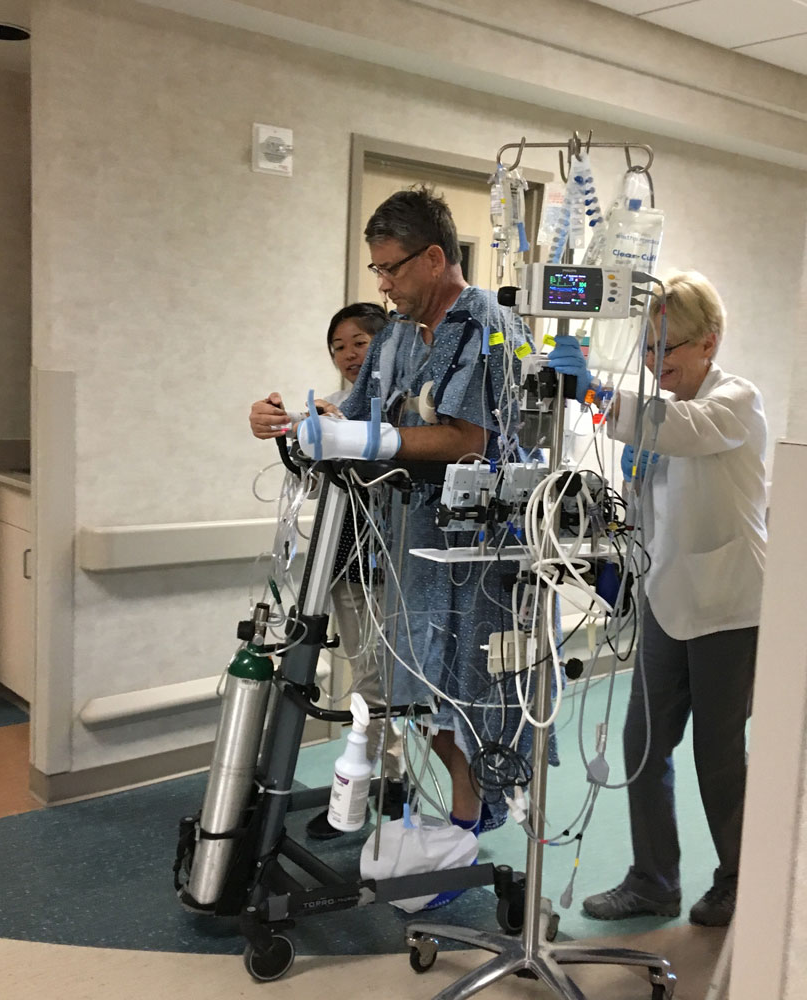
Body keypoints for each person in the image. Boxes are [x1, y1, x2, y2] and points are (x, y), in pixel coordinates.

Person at [250, 186, 536, 836]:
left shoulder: (487, 325)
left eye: (391, 269)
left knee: (467, 699)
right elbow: (351, 418)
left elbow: (469, 439)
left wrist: (379, 440)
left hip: (477, 552)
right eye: (376, 269)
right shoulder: (399, 338)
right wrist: (290, 424)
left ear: (433, 258)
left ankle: (466, 831)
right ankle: (455, 827)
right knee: (421, 696)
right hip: (410, 548)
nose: (382, 285)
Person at [547, 270, 767, 928]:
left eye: (666, 348)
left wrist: (592, 390)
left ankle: (741, 880)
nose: (654, 361)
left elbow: (684, 429)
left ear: (709, 343)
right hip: (667, 598)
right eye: (646, 348)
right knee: (642, 745)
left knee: (718, 754)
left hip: (729, 604)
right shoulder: (662, 413)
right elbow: (655, 499)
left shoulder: (735, 400)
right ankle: (653, 880)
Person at [261, 302, 406, 840]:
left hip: (397, 562)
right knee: (368, 679)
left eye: (360, 343)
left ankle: (378, 790)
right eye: (338, 346)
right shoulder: (334, 408)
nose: (348, 355)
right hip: (344, 560)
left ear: (387, 345)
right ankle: (386, 783)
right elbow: (310, 473)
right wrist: (290, 428)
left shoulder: (406, 408)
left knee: (386, 682)